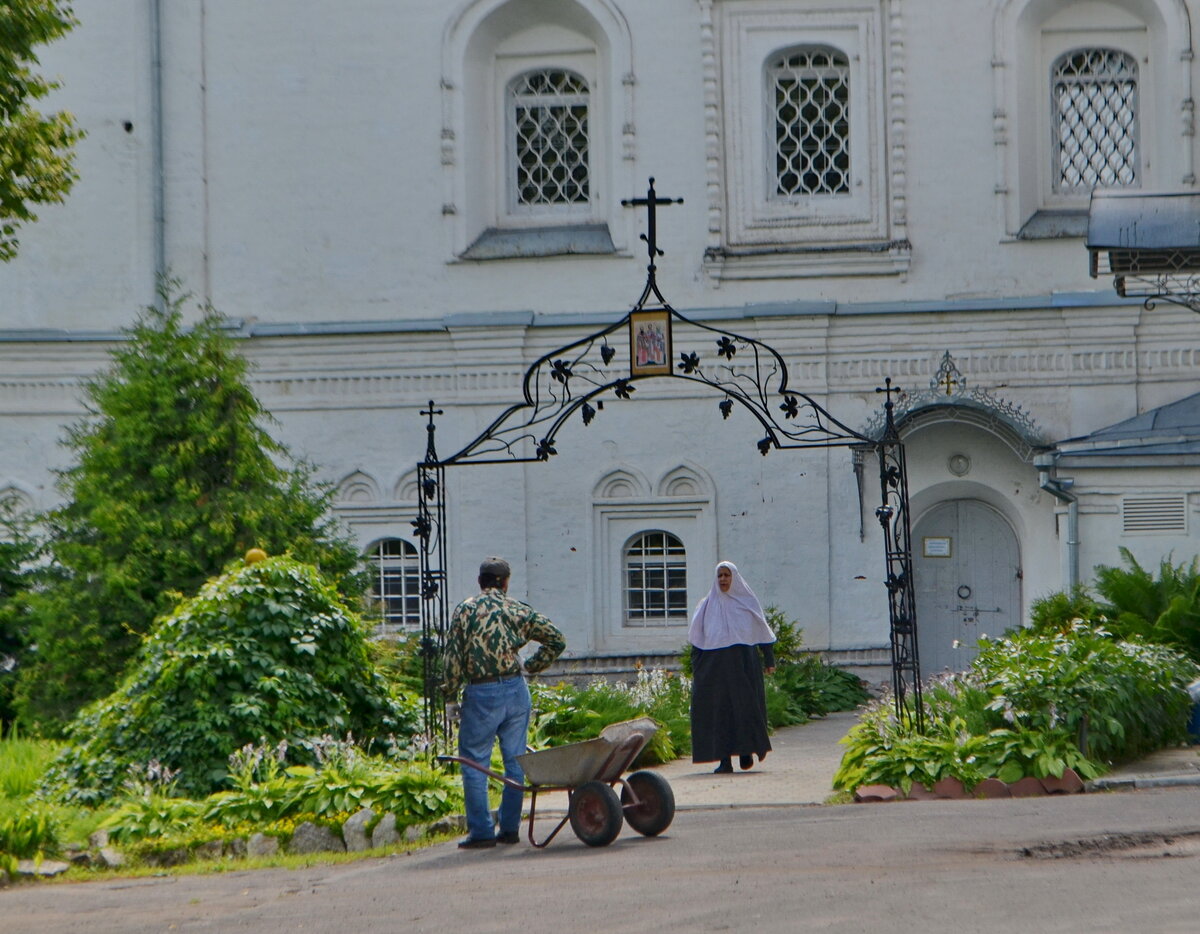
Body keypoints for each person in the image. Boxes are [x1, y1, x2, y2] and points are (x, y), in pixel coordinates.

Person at [442, 556, 566, 849]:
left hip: (481, 693)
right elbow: (556, 639)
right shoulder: (517, 608)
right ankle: (509, 829)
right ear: (505, 582)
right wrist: (533, 666)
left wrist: (450, 696)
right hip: (515, 690)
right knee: (515, 761)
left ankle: (482, 832)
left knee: (474, 762)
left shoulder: (466, 610)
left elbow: (453, 658)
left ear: (480, 581)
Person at [688, 561, 777, 774]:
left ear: (734, 577)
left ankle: (746, 752)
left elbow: (762, 632)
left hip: (743, 665)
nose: (723, 579)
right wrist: (697, 668)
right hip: (715, 669)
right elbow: (697, 638)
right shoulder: (706, 605)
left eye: (727, 575)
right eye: (719, 576)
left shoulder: (746, 603)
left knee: (745, 709)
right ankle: (724, 760)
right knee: (720, 714)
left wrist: (769, 660)